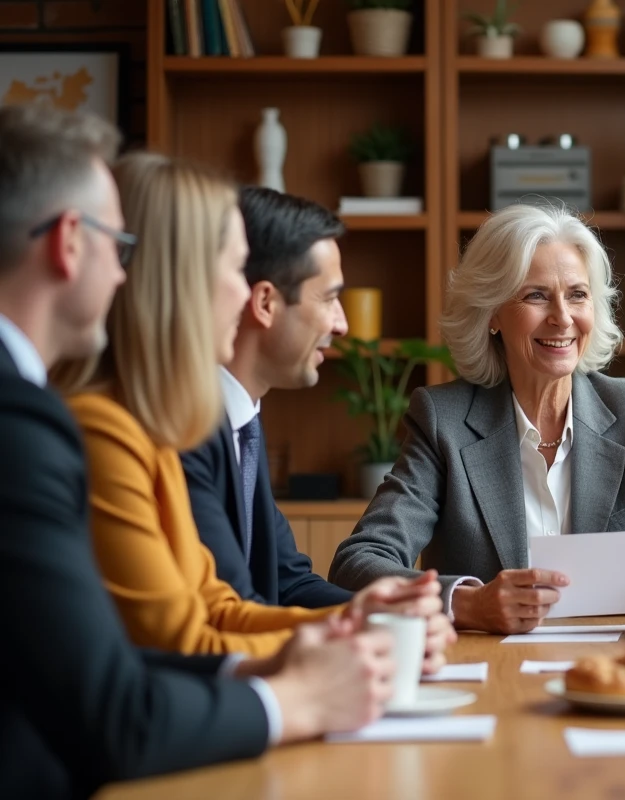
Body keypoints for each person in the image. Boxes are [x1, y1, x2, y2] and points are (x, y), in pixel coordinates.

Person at [0, 103, 397, 798]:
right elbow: (139, 682)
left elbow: (213, 606)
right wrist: (300, 693)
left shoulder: (145, 425)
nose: (252, 299)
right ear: (70, 243)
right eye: (239, 272)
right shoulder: (52, 424)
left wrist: (340, 638)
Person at [53, 152, 454, 663]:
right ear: (182, 284)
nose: (248, 296)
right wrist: (358, 638)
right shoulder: (120, 429)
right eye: (234, 271)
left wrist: (366, 623)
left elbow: (224, 607)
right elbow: (190, 639)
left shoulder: (187, 423)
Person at [328, 203, 625, 633]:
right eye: (536, 295)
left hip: (617, 665)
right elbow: (359, 562)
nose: (562, 317)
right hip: (488, 673)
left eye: (578, 295)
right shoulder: (443, 421)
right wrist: (470, 604)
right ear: (491, 313)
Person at [181, 187, 353, 609]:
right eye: (330, 298)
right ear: (264, 303)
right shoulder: (186, 429)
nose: (343, 324)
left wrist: (402, 613)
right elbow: (233, 609)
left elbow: (289, 584)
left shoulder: (244, 423)